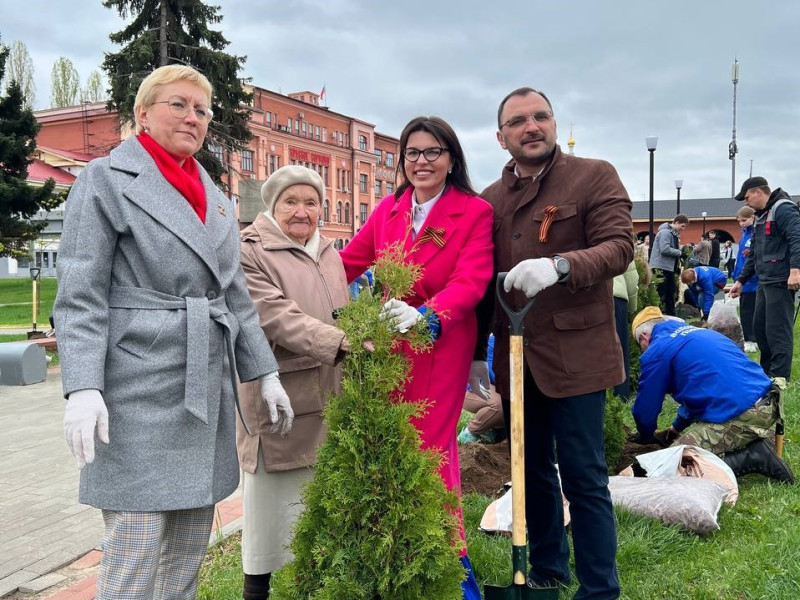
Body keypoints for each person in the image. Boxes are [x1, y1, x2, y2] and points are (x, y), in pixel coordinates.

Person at [53, 65, 292, 600]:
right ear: (142, 113)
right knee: (134, 554)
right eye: (178, 104)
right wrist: (83, 385)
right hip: (134, 389)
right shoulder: (105, 180)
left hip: (202, 392)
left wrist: (264, 372)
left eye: (203, 110)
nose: (193, 117)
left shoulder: (211, 193)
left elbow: (234, 296)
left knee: (186, 555)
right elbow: (80, 293)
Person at [474, 86, 632, 599]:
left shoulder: (593, 176)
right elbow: (482, 282)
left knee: (584, 477)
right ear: (502, 138)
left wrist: (562, 266)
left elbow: (619, 247)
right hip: (518, 361)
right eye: (518, 121)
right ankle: (547, 570)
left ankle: (598, 588)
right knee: (531, 470)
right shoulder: (490, 201)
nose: (531, 126)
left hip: (578, 357)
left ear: (554, 123)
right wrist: (480, 351)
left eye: (540, 116)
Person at [339, 115, 493, 599]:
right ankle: (400, 549)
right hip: (389, 345)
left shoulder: (473, 212)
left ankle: (448, 561)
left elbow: (471, 280)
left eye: (433, 152)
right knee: (396, 444)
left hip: (441, 342)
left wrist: (427, 317)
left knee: (429, 446)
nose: (421, 161)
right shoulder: (389, 208)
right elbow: (347, 262)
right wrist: (289, 263)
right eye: (412, 153)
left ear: (451, 159)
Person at [236, 166, 350, 600]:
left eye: (311, 202)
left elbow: (337, 310)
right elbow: (273, 315)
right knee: (266, 518)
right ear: (272, 204)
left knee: (317, 515)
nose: (302, 212)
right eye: (291, 202)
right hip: (278, 393)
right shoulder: (251, 250)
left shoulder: (328, 252)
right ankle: (256, 592)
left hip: (329, 393)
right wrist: (340, 341)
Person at [630, 306, 794, 483]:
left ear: (644, 338)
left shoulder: (657, 350)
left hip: (744, 414)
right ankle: (751, 439)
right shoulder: (699, 334)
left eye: (641, 347)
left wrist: (646, 437)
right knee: (680, 453)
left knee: (674, 463)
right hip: (768, 404)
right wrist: (674, 429)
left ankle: (753, 456)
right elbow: (700, 392)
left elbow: (644, 410)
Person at [729, 176, 800, 380]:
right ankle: (766, 375)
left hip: (780, 280)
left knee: (778, 332)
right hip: (764, 281)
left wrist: (795, 269)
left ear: (759, 192)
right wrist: (741, 281)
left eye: (747, 196)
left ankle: (779, 380)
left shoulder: (783, 209)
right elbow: (754, 253)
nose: (746, 201)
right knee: (761, 330)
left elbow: (797, 238)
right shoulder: (761, 216)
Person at [649, 214, 689, 315]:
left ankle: (670, 314)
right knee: (661, 293)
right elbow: (664, 249)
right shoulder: (665, 232)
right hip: (661, 267)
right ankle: (659, 314)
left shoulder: (672, 234)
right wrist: (680, 253)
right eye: (682, 226)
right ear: (676, 222)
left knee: (670, 292)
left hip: (668, 267)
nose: (683, 229)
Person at [612, 257, 639, 401]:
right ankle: (621, 395)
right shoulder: (617, 237)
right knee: (620, 349)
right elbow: (631, 276)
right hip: (617, 297)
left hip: (589, 300)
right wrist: (632, 308)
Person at [732, 206, 759, 352]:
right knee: (745, 310)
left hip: (753, 280)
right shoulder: (744, 236)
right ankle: (750, 337)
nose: (741, 223)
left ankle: (751, 339)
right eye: (739, 221)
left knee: (749, 311)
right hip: (743, 278)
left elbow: (752, 259)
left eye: (744, 220)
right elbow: (741, 259)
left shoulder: (755, 234)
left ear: (753, 217)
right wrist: (736, 275)